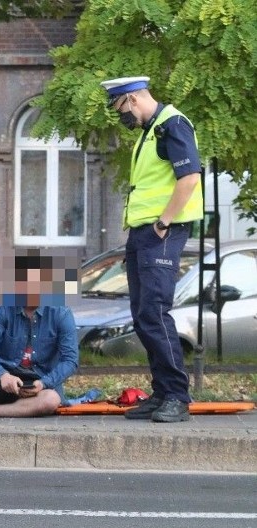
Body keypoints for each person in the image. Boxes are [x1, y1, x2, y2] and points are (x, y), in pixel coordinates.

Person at [100, 76, 203, 422]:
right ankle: (161, 393)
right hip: (144, 233)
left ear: (130, 99)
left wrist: (163, 222)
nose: (121, 117)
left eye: (120, 109)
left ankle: (176, 395)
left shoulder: (172, 125)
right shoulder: (152, 131)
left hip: (162, 231)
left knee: (155, 312)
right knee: (144, 315)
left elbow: (189, 178)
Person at [0, 252, 79, 417]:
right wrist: (2, 375)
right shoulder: (1, 309)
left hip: (39, 381)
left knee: (50, 400)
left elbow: (70, 360)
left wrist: (44, 383)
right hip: (1, 377)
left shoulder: (62, 313)